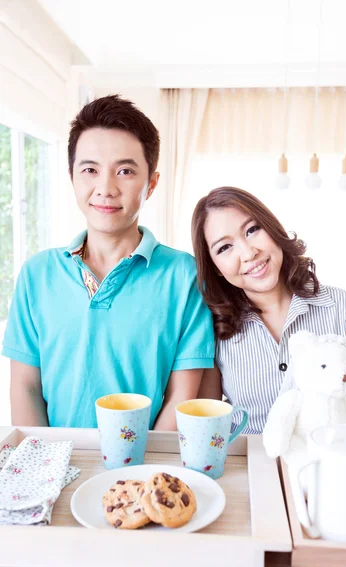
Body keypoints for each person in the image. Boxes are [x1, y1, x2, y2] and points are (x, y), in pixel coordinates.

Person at [2, 95, 214, 430]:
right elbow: (25, 387)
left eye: (125, 171)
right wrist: (45, 468)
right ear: (72, 176)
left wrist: (141, 476)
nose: (106, 187)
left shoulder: (185, 276)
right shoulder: (36, 274)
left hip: (145, 471)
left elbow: (181, 397)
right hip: (57, 468)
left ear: (152, 184)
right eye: (90, 170)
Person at [191, 186, 346, 434]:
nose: (248, 253)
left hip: (335, 465)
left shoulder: (342, 307)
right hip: (249, 468)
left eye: (252, 230)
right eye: (224, 248)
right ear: (216, 268)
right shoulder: (212, 326)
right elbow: (208, 427)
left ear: (272, 228)